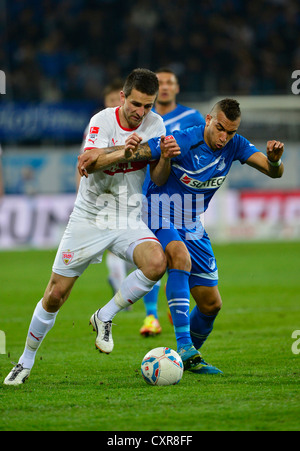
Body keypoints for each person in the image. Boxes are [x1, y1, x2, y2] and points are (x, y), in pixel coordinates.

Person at [76, 98, 284, 375]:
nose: (224, 137)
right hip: (158, 210)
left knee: (211, 304)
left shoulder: (236, 145)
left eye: (231, 132)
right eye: (220, 128)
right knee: (179, 256)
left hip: (192, 223)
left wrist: (274, 160)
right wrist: (103, 156)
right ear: (208, 120)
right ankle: (184, 346)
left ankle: (188, 357)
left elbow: (273, 172)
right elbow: (140, 155)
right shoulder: (184, 139)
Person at [3, 68, 180, 386]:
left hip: (127, 217)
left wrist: (163, 157)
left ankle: (105, 315)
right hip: (89, 217)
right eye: (136, 104)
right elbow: (87, 163)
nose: (141, 113)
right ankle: (25, 362)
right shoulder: (102, 120)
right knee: (55, 295)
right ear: (123, 97)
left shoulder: (157, 124)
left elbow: (158, 179)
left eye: (148, 106)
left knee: (157, 263)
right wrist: (123, 151)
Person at [140, 67, 206, 337]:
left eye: (170, 83)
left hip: (181, 202)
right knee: (155, 256)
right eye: (160, 83)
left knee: (176, 257)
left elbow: (206, 149)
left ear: (177, 88)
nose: (165, 87)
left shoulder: (192, 118)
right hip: (146, 196)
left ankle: (173, 304)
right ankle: (151, 316)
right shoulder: (144, 119)